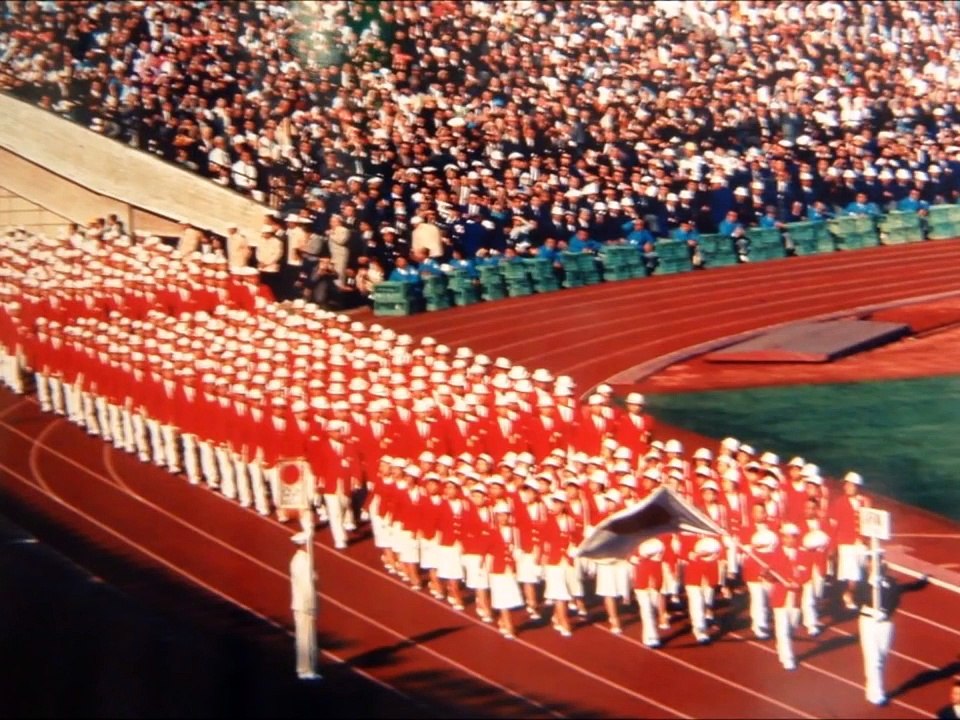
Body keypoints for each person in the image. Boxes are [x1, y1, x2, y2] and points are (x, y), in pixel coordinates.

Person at [855, 556, 899, 706]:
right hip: (868, 622)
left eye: (878, 561)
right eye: (872, 562)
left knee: (881, 657)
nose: (876, 565)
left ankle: (871, 687)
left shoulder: (891, 582)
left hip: (885, 623)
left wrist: (886, 611)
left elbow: (895, 600)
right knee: (873, 658)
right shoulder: (864, 582)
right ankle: (877, 693)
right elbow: (858, 598)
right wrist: (870, 586)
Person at [289, 517, 321, 681]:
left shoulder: (299, 559)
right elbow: (306, 585)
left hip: (301, 603)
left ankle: (306, 668)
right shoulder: (303, 561)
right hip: (304, 604)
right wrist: (311, 606)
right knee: (306, 638)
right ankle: (305, 670)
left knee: (306, 637)